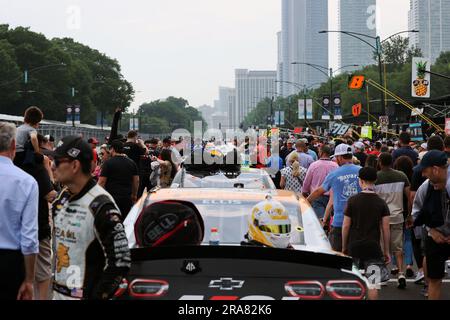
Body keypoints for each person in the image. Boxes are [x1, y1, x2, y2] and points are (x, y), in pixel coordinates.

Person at [51, 136, 131, 300]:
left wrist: (96, 295)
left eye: (58, 161)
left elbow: (121, 261)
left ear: (75, 165)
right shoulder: (62, 197)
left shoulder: (101, 205)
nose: (52, 166)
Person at [0, 122, 39, 300]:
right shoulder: (26, 182)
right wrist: (29, 279)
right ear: (14, 145)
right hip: (9, 262)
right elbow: (29, 236)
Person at [342, 167, 391, 300]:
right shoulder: (381, 203)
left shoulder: (352, 200)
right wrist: (386, 251)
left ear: (360, 181)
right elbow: (385, 229)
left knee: (352, 282)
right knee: (373, 284)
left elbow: (346, 225)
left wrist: (344, 247)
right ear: (375, 180)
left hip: (354, 246)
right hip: (373, 248)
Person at [307, 144, 362, 251]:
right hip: (359, 222)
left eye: (336, 158)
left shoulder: (335, 173)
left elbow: (319, 190)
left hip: (339, 222)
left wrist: (305, 202)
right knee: (356, 257)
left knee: (336, 256)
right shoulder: (361, 171)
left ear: (340, 157)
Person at [412, 151, 450, 300]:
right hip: (435, 237)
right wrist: (432, 231)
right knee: (434, 280)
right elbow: (416, 212)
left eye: (425, 171)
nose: (422, 175)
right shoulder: (425, 187)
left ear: (435, 169)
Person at [375, 153, 411, 289]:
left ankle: (383, 274)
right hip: (398, 215)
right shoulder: (401, 176)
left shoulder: (376, 177)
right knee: (398, 247)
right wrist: (409, 215)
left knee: (381, 246)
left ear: (380, 163)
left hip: (381, 217)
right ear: (392, 162)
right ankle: (401, 273)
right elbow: (409, 197)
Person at [98, 140, 139, 219]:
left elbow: (101, 182)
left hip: (111, 198)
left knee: (112, 220)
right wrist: (134, 195)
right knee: (124, 220)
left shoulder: (108, 163)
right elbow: (136, 181)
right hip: (126, 198)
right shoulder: (132, 163)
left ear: (112, 149)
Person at [393, 156, 417, 280]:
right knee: (408, 238)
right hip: (408, 210)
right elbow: (411, 197)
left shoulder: (396, 177)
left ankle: (396, 265)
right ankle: (408, 265)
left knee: (395, 239)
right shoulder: (412, 177)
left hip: (396, 210)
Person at [302, 145, 339, 219]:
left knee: (319, 221)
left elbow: (307, 181)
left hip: (317, 197)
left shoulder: (314, 165)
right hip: (332, 197)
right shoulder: (336, 166)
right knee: (331, 220)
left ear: (321, 153)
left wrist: (304, 191)